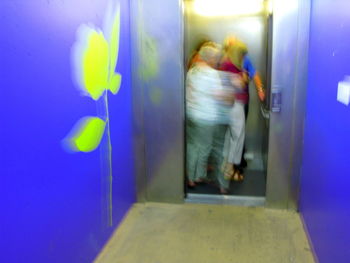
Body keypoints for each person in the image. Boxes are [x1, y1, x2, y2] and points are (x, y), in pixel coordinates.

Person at [186, 45, 234, 194]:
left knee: (194, 146)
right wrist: (231, 93)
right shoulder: (213, 75)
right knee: (216, 149)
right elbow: (221, 97)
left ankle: (193, 178)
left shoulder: (191, 71)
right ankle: (222, 185)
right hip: (208, 118)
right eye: (215, 57)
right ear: (211, 58)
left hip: (192, 115)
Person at [220, 36, 265, 181]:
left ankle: (228, 165)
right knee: (237, 136)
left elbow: (253, 74)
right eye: (241, 53)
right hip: (235, 104)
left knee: (232, 135)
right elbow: (239, 82)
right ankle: (231, 168)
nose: (244, 55)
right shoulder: (229, 64)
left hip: (232, 104)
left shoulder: (232, 62)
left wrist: (258, 87)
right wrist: (243, 78)